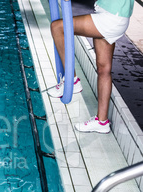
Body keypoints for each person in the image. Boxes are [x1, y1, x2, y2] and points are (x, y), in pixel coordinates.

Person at [47, 0, 135, 133]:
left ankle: (73, 81)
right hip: (116, 17)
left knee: (57, 27)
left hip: (110, 19)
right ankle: (102, 121)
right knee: (103, 69)